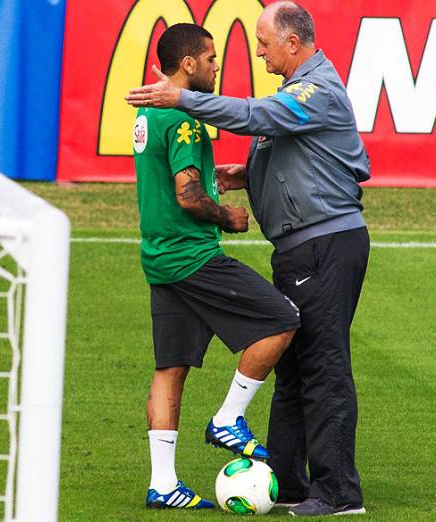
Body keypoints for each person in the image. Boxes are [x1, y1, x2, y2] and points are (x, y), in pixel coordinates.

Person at [126, 1, 370, 517]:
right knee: (293, 366)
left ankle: (339, 493)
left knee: (322, 364)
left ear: (292, 42)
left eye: (262, 41)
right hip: (297, 248)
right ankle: (288, 480)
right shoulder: (293, 92)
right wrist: (249, 175)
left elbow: (257, 116)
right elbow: (289, 149)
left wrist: (183, 99)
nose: (255, 49)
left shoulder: (316, 90)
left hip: (327, 245)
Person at [134, 23, 299, 511]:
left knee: (170, 370)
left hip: (160, 258)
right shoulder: (182, 119)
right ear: (188, 64)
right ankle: (230, 417)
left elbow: (173, 181)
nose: (215, 68)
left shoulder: (148, 114)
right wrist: (228, 217)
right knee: (282, 319)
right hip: (193, 256)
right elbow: (188, 194)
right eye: (210, 60)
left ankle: (163, 484)